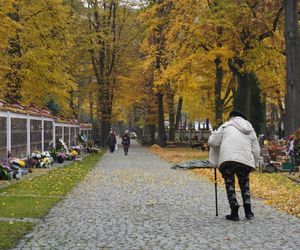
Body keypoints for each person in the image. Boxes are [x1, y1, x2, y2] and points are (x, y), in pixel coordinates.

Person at [208, 110, 260, 221]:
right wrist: (254, 161)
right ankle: (248, 211)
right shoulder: (250, 129)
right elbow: (256, 148)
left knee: (229, 184)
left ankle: (234, 209)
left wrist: (213, 135)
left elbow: (213, 143)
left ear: (232, 116)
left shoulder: (225, 126)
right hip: (244, 161)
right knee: (244, 184)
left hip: (228, 159)